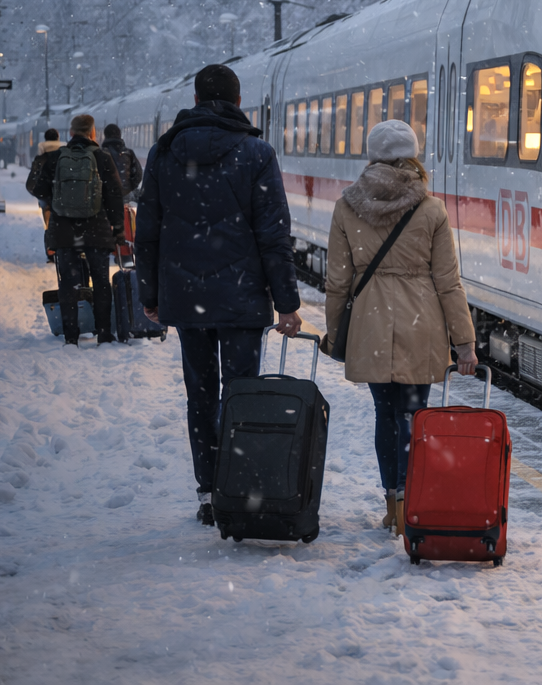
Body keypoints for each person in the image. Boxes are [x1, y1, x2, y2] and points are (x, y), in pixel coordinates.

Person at [134, 64, 302, 528]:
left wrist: (150, 294)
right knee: (241, 394)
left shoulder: (164, 152)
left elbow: (147, 233)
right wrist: (287, 302)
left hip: (186, 296)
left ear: (194, 99)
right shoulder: (257, 153)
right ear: (238, 101)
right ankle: (239, 488)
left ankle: (209, 491)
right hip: (242, 298)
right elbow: (274, 235)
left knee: (200, 395)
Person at [323, 119, 477, 536]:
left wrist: (336, 334)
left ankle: (392, 503)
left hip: (369, 323)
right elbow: (448, 282)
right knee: (413, 415)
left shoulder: (347, 207)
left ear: (372, 156)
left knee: (384, 413)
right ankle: (411, 500)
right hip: (420, 323)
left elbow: (337, 282)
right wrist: (464, 342)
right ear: (413, 156)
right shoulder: (431, 209)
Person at [26, 115, 124, 345]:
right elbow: (114, 194)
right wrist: (118, 228)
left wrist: (59, 198)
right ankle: (104, 333)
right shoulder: (102, 157)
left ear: (70, 133)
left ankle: (71, 336)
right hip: (97, 230)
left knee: (68, 283)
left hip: (64, 231)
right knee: (100, 281)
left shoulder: (56, 158)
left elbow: (39, 189)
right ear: (92, 133)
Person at [27, 128, 63, 231]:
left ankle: (48, 229)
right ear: (58, 138)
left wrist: (35, 190)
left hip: (44, 193)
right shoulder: (64, 156)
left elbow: (33, 177)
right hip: (61, 193)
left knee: (45, 207)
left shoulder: (40, 158)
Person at [101, 123, 143, 201]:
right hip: (126, 197)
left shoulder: (100, 153)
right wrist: (128, 188)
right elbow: (138, 175)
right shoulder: (129, 153)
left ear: (105, 135)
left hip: (106, 198)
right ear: (120, 135)